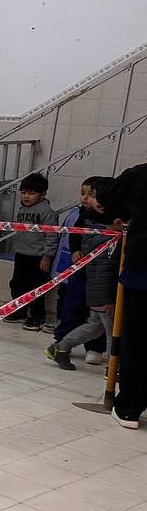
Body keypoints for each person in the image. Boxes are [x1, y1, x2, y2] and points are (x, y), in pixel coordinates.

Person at [94, 161, 147, 428]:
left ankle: (128, 407)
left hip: (143, 270)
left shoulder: (141, 174)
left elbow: (104, 196)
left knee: (137, 340)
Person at [45, 186, 118, 371]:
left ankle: (60, 348)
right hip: (103, 294)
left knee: (95, 327)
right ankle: (113, 369)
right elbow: (104, 272)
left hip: (99, 292)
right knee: (112, 331)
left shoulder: (99, 233)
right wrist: (108, 299)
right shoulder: (104, 239)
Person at [2, 172, 59, 331]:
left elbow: (51, 236)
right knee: (17, 284)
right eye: (23, 192)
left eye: (31, 193)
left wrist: (46, 257)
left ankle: (37, 316)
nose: (26, 196)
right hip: (21, 254)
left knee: (36, 287)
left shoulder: (46, 211)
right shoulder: (22, 209)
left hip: (38, 258)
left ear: (43, 194)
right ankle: (20, 311)